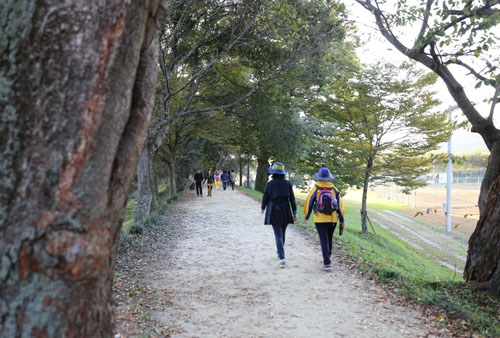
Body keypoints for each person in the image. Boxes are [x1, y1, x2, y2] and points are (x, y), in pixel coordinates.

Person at [303, 167, 346, 271]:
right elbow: (339, 206)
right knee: (329, 238)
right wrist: (342, 219)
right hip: (332, 219)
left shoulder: (316, 188)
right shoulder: (334, 189)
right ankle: (328, 259)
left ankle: (327, 263)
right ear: (329, 178)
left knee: (324, 239)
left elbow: (309, 202)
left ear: (319, 177)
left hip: (319, 219)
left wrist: (307, 216)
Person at [260, 162, 298, 268]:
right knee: (282, 233)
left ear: (273, 173)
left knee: (278, 234)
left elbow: (265, 197)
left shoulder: (270, 183)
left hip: (274, 209)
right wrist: (295, 212)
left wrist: (263, 207)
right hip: (286, 209)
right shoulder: (288, 183)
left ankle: (282, 258)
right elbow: (292, 199)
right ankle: (279, 253)